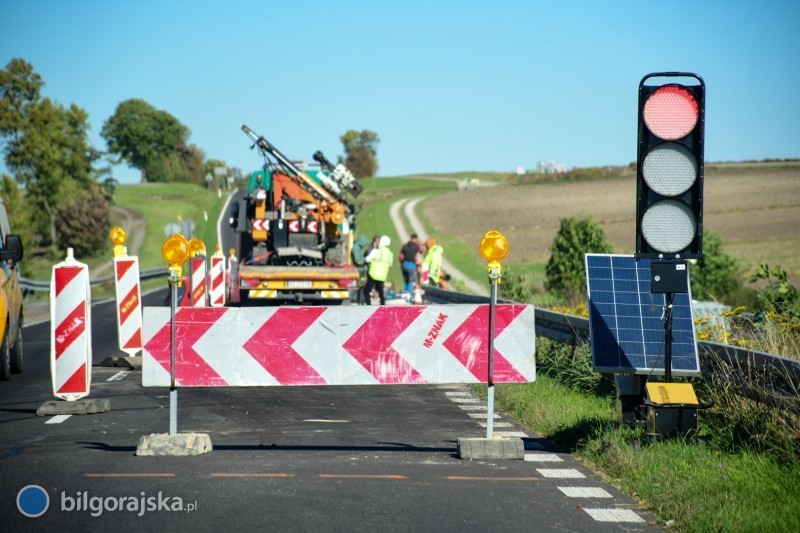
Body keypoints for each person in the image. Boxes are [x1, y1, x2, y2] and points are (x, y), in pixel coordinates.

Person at [364, 235, 393, 305]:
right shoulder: (390, 253)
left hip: (373, 274)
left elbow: (367, 259)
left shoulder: (376, 251)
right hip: (382, 276)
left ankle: (368, 306)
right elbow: (390, 264)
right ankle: (383, 305)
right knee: (381, 292)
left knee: (366, 291)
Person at [351, 234, 369, 304]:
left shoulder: (358, 248)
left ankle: (360, 299)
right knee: (361, 286)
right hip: (360, 271)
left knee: (362, 285)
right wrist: (365, 263)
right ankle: (360, 300)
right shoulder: (356, 248)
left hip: (361, 271)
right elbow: (358, 261)